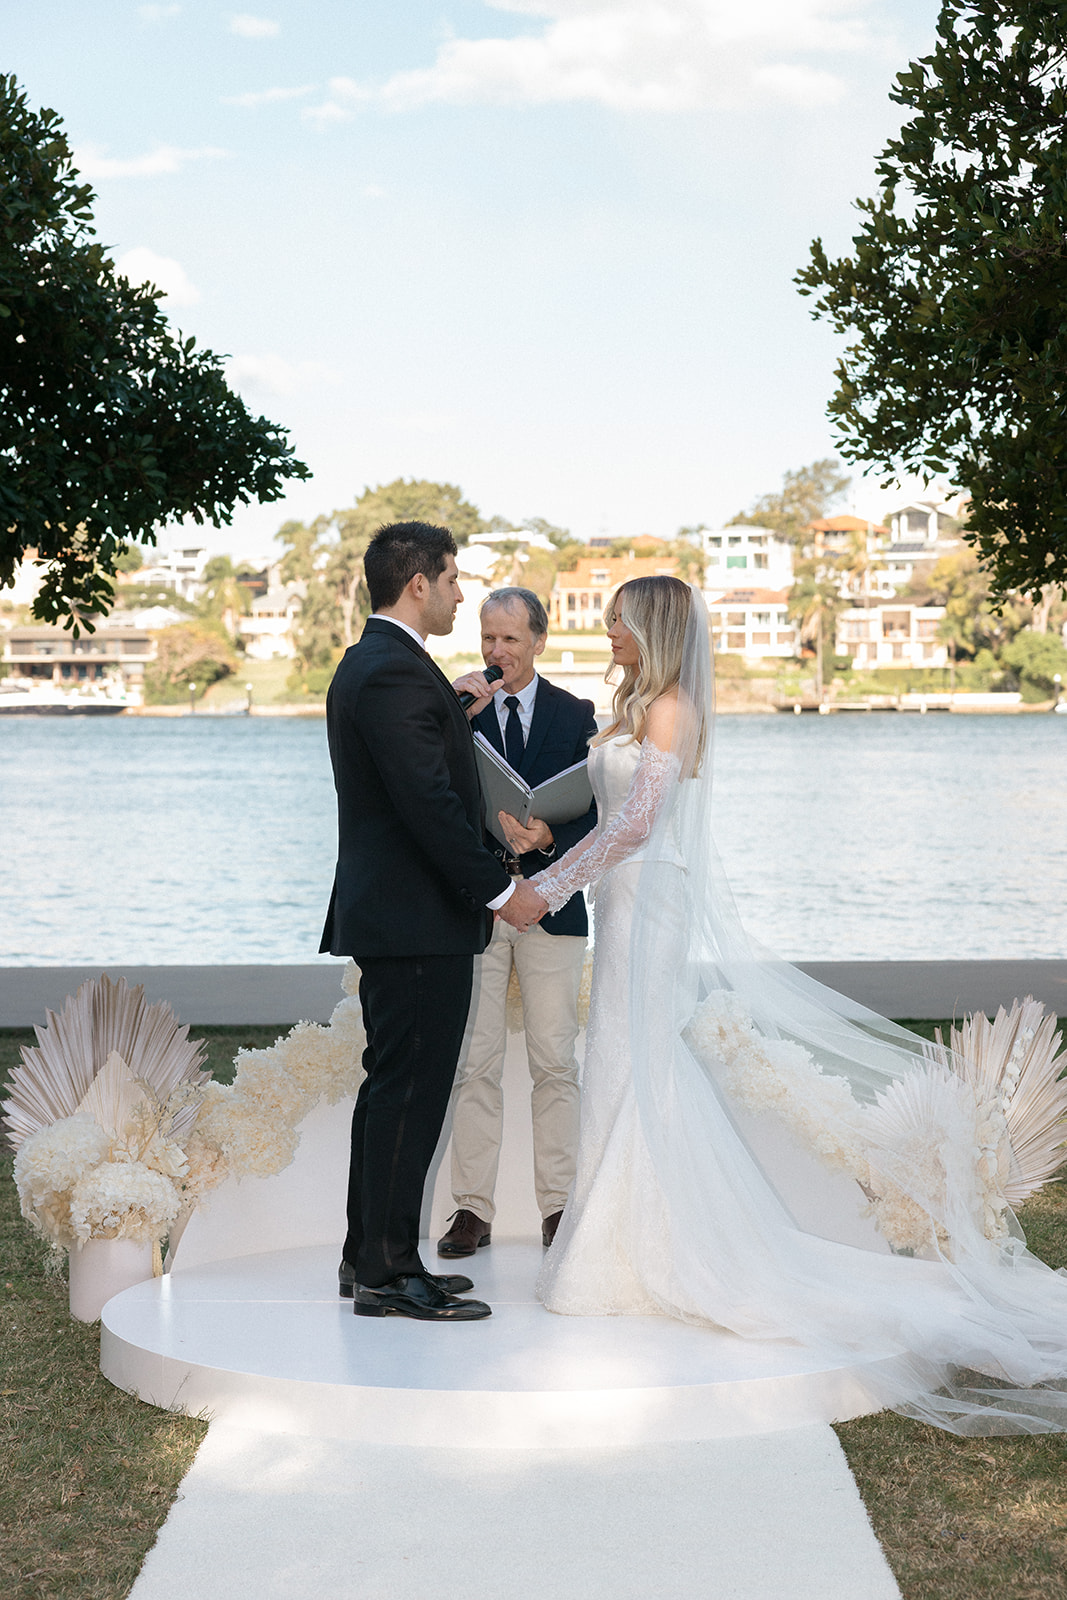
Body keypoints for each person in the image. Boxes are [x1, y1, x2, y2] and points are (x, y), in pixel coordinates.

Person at [528, 575, 1067, 1435]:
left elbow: (637, 824)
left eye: (620, 620)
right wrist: (543, 838)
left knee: (635, 1062)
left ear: (653, 628)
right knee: (618, 1063)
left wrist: (547, 886)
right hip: (618, 901)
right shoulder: (635, 705)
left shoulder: (672, 709)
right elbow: (606, 810)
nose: (608, 631)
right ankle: (616, 1250)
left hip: (648, 898)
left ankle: (647, 1256)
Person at [320, 521, 547, 1323]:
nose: (459, 592)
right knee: (408, 1097)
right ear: (417, 583)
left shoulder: (382, 666)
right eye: (452, 579)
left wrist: (453, 707)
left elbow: (409, 767)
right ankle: (386, 1272)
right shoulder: (391, 673)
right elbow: (429, 807)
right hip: (416, 922)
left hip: (399, 918)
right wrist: (499, 891)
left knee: (391, 1092)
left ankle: (366, 1256)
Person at [437, 588, 597, 1257]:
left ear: (539, 640)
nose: (494, 652)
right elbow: (433, 803)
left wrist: (545, 844)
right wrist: (450, 714)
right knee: (473, 1064)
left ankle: (558, 1208)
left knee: (554, 1062)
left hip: (551, 905)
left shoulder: (575, 714)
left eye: (508, 639)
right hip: (476, 906)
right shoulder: (458, 711)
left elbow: (597, 815)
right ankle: (471, 1211)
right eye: (486, 637)